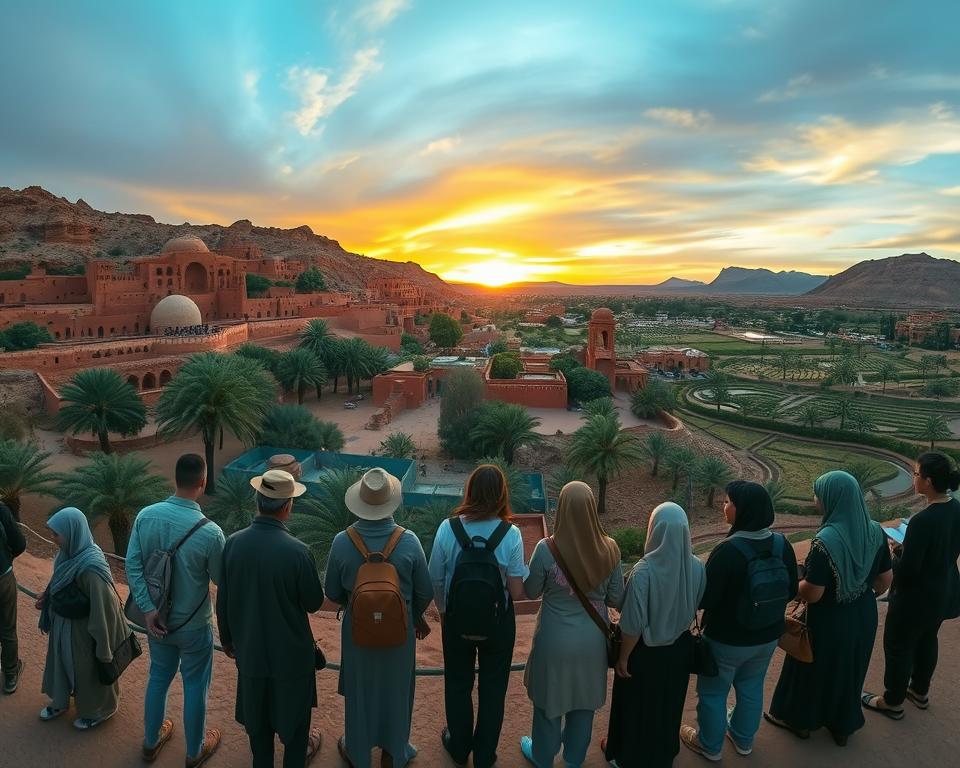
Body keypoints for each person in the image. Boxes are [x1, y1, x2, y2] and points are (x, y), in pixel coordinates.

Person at [766, 470, 893, 746]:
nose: (815, 498)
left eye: (818, 493)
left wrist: (794, 584)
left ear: (832, 498)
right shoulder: (875, 531)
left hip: (829, 619)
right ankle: (842, 727)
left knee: (810, 668)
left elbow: (813, 594)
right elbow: (884, 583)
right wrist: (857, 586)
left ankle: (800, 722)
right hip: (862, 615)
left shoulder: (826, 542)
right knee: (850, 669)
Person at [680, 481, 798, 761]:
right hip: (768, 636)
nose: (725, 506)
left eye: (728, 502)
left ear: (742, 510)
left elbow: (705, 599)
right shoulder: (782, 544)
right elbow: (792, 590)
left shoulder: (728, 551)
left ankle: (710, 744)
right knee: (751, 686)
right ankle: (744, 740)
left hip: (727, 639)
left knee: (713, 693)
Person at [324, 468, 432, 768]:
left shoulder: (341, 542)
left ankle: (358, 753)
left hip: (357, 632)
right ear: (390, 502)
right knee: (397, 690)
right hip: (400, 632)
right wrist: (411, 614)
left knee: (359, 692)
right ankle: (395, 752)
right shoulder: (409, 541)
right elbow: (425, 590)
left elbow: (332, 591)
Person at [216, 469, 325, 767]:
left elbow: (222, 599)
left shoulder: (233, 544)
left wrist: (227, 639)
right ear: (288, 506)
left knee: (259, 735)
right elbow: (313, 602)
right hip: (292, 659)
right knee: (295, 736)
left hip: (250, 654)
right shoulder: (298, 552)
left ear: (257, 502)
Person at [126, 454, 225, 767]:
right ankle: (194, 752)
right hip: (194, 625)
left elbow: (133, 564)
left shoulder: (146, 516)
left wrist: (147, 608)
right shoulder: (211, 533)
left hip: (158, 623)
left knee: (158, 677)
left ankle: (150, 741)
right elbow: (221, 580)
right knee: (195, 686)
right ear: (202, 482)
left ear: (176, 478)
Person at [429, 464, 528, 768]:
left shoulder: (449, 528)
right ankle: (485, 754)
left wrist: (445, 612)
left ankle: (459, 747)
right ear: (501, 494)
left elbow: (436, 578)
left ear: (469, 491)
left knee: (457, 683)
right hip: (498, 624)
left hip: (457, 621)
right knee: (493, 687)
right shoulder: (510, 533)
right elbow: (517, 592)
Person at [520, 481, 624, 768]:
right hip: (593, 643)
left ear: (562, 509)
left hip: (553, 640)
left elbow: (530, 592)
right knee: (583, 704)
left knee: (548, 704)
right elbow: (616, 598)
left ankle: (542, 756)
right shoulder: (611, 550)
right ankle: (573, 759)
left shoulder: (546, 550)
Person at [604, 502, 705, 768]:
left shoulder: (643, 571)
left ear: (654, 529)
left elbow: (633, 625)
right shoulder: (696, 566)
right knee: (668, 706)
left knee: (636, 708)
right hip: (680, 650)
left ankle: (628, 757)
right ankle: (662, 755)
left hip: (645, 653)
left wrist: (623, 658)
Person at [863, 452, 960, 718]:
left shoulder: (922, 521)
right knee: (928, 638)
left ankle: (892, 701)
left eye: (916, 474)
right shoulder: (956, 509)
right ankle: (919, 691)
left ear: (928, 481)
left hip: (916, 598)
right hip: (943, 590)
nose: (914, 478)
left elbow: (907, 572)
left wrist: (897, 551)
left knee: (898, 646)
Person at [36, 507, 128, 729]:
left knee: (87, 670)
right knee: (61, 662)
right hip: (62, 624)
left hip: (84, 632)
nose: (53, 538)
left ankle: (100, 710)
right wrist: (47, 596)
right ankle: (60, 701)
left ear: (72, 532)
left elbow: (104, 607)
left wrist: (103, 644)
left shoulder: (91, 567)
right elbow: (59, 579)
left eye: (56, 533)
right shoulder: (66, 554)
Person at [1, 500, 27, 694]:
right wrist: (6, 559)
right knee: (7, 626)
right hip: (2, 577)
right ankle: (10, 674)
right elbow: (19, 543)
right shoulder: (0, 509)